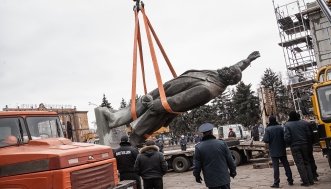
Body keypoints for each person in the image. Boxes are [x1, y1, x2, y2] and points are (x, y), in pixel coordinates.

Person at [100, 51, 261, 145]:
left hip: (164, 104)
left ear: (229, 79)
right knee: (143, 100)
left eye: (228, 70)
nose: (226, 68)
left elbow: (182, 100)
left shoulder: (209, 89)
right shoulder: (220, 74)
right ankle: (116, 118)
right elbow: (236, 67)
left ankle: (132, 143)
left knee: (144, 125)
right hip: (168, 89)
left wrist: (160, 104)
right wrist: (247, 60)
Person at [193, 123, 236, 189]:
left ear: (203, 134)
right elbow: (230, 160)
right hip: (224, 178)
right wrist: (233, 171)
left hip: (211, 181)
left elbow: (197, 165)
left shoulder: (199, 147)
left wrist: (197, 176)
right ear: (212, 132)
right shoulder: (222, 143)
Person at [284, 111, 314, 187]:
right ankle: (311, 180)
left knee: (300, 164)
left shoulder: (287, 125)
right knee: (307, 162)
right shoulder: (304, 123)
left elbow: (287, 137)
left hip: (295, 146)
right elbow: (309, 134)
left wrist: (289, 144)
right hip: (305, 145)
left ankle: (305, 182)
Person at [263, 116, 293, 188]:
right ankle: (290, 180)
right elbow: (285, 137)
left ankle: (276, 183)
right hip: (282, 149)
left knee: (276, 168)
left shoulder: (268, 129)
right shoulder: (281, 127)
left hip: (273, 151)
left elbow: (266, 140)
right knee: (286, 165)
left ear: (270, 121)